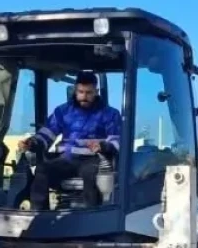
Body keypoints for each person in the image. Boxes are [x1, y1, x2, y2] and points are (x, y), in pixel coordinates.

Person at [17, 71, 122, 208]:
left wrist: (103, 146)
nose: (84, 96)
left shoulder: (110, 114)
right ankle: (39, 215)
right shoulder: (62, 112)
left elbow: (117, 140)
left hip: (93, 159)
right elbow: (47, 134)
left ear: (96, 91)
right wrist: (32, 143)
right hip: (66, 158)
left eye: (89, 92)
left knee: (90, 175)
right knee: (42, 169)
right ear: (75, 90)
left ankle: (91, 215)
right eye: (81, 92)